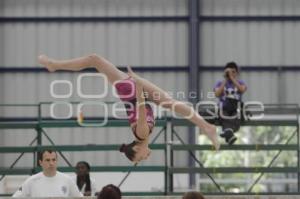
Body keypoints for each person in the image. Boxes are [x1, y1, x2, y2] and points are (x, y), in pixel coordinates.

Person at [38, 53, 219, 163]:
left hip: (132, 92)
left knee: (94, 59)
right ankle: (206, 127)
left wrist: (138, 82)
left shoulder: (141, 133)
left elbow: (141, 106)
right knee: (174, 104)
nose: (146, 157)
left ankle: (54, 65)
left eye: (140, 158)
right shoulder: (143, 135)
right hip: (136, 94)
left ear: (137, 149)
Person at [12, 149, 83, 197]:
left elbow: (80, 197)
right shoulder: (31, 181)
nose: (51, 163)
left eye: (54, 160)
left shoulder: (67, 180)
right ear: (40, 162)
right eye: (47, 160)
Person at [214, 62, 247, 145]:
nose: (231, 74)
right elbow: (217, 94)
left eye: (233, 71)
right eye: (229, 72)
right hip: (224, 108)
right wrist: (225, 79)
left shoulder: (240, 82)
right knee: (222, 115)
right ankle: (229, 134)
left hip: (236, 107)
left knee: (236, 116)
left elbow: (242, 90)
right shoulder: (220, 83)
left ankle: (228, 133)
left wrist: (232, 79)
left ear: (237, 73)